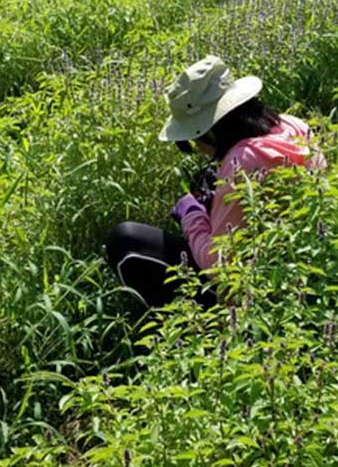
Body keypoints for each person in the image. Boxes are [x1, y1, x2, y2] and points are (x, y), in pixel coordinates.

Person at [105, 55, 326, 308]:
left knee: (126, 239)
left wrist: (192, 216)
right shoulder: (291, 125)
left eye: (192, 138)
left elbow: (219, 267)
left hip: (252, 294)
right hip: (298, 267)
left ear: (210, 129)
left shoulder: (241, 163)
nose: (196, 147)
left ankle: (192, 333)